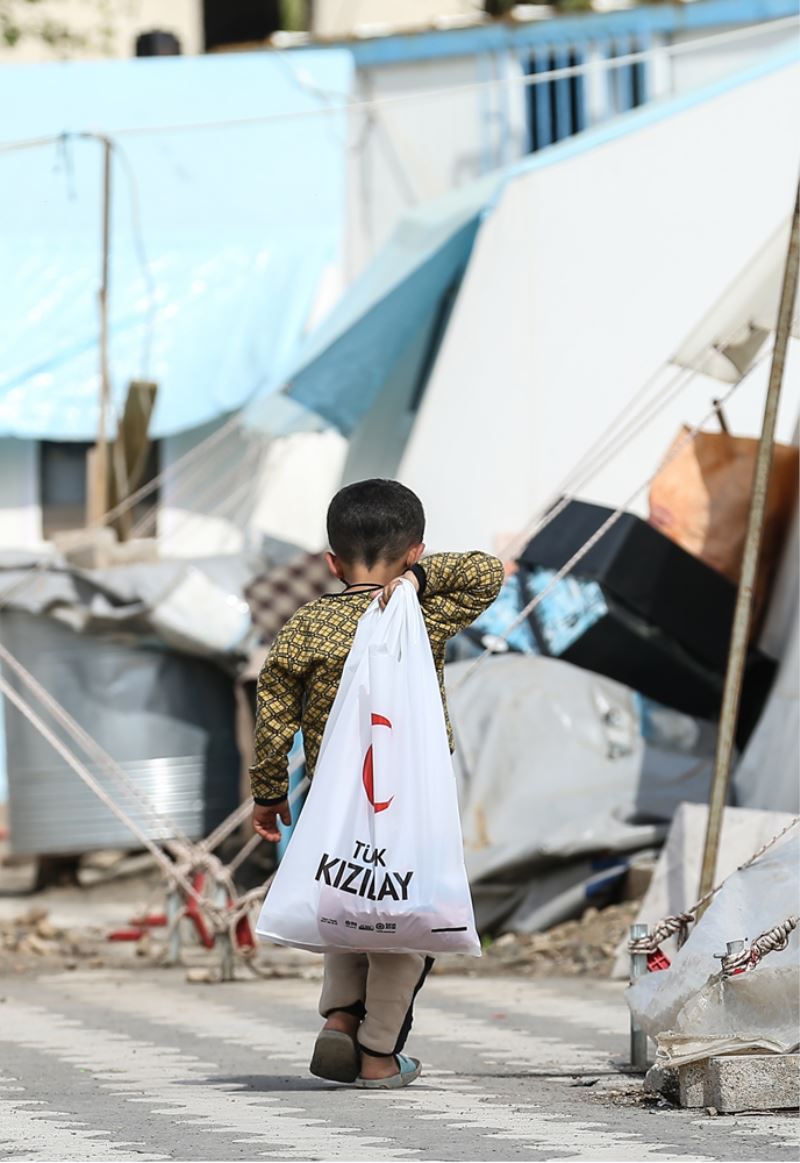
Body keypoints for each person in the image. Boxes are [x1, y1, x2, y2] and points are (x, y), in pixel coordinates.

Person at [251, 479, 503, 1089]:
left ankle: (339, 1018)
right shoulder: (419, 612)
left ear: (332, 561)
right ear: (416, 551)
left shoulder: (307, 623)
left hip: (334, 798)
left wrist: (268, 792)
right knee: (405, 916)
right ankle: (379, 1053)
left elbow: (274, 709)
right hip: (408, 797)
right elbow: (487, 572)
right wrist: (415, 580)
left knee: (347, 896)